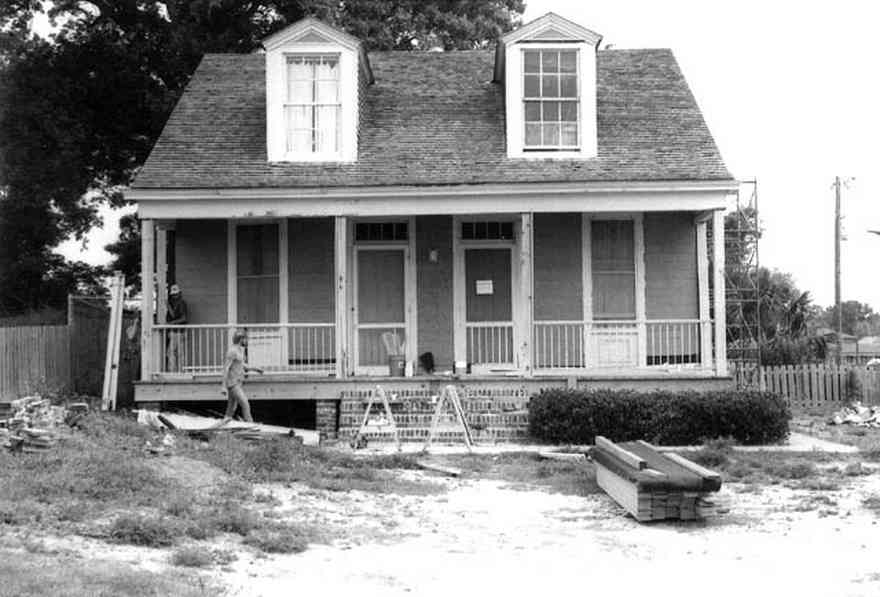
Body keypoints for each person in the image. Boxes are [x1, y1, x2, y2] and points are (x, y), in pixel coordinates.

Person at [222, 329, 263, 422]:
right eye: (246, 339)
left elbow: (242, 365)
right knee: (245, 403)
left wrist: (256, 369)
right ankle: (250, 424)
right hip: (233, 384)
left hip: (238, 382)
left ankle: (224, 423)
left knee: (231, 407)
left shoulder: (240, 350)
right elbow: (226, 369)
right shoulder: (232, 351)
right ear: (241, 339)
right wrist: (223, 387)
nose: (247, 341)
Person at [166, 284, 188, 372]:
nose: (175, 296)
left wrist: (171, 324)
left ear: (180, 294)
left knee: (178, 353)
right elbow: (174, 315)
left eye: (176, 294)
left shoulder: (182, 303)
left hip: (179, 332)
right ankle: (173, 371)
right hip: (174, 332)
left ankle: (180, 371)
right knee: (171, 353)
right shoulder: (175, 304)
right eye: (173, 295)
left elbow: (184, 318)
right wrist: (168, 306)